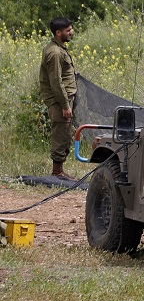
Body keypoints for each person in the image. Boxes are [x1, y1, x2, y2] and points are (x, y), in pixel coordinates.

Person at [39, 17, 78, 181]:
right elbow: (56, 81)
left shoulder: (58, 48)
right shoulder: (54, 52)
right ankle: (57, 172)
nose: (71, 32)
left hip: (64, 99)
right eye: (68, 30)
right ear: (58, 32)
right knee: (61, 134)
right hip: (59, 101)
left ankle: (59, 170)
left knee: (65, 133)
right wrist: (64, 105)